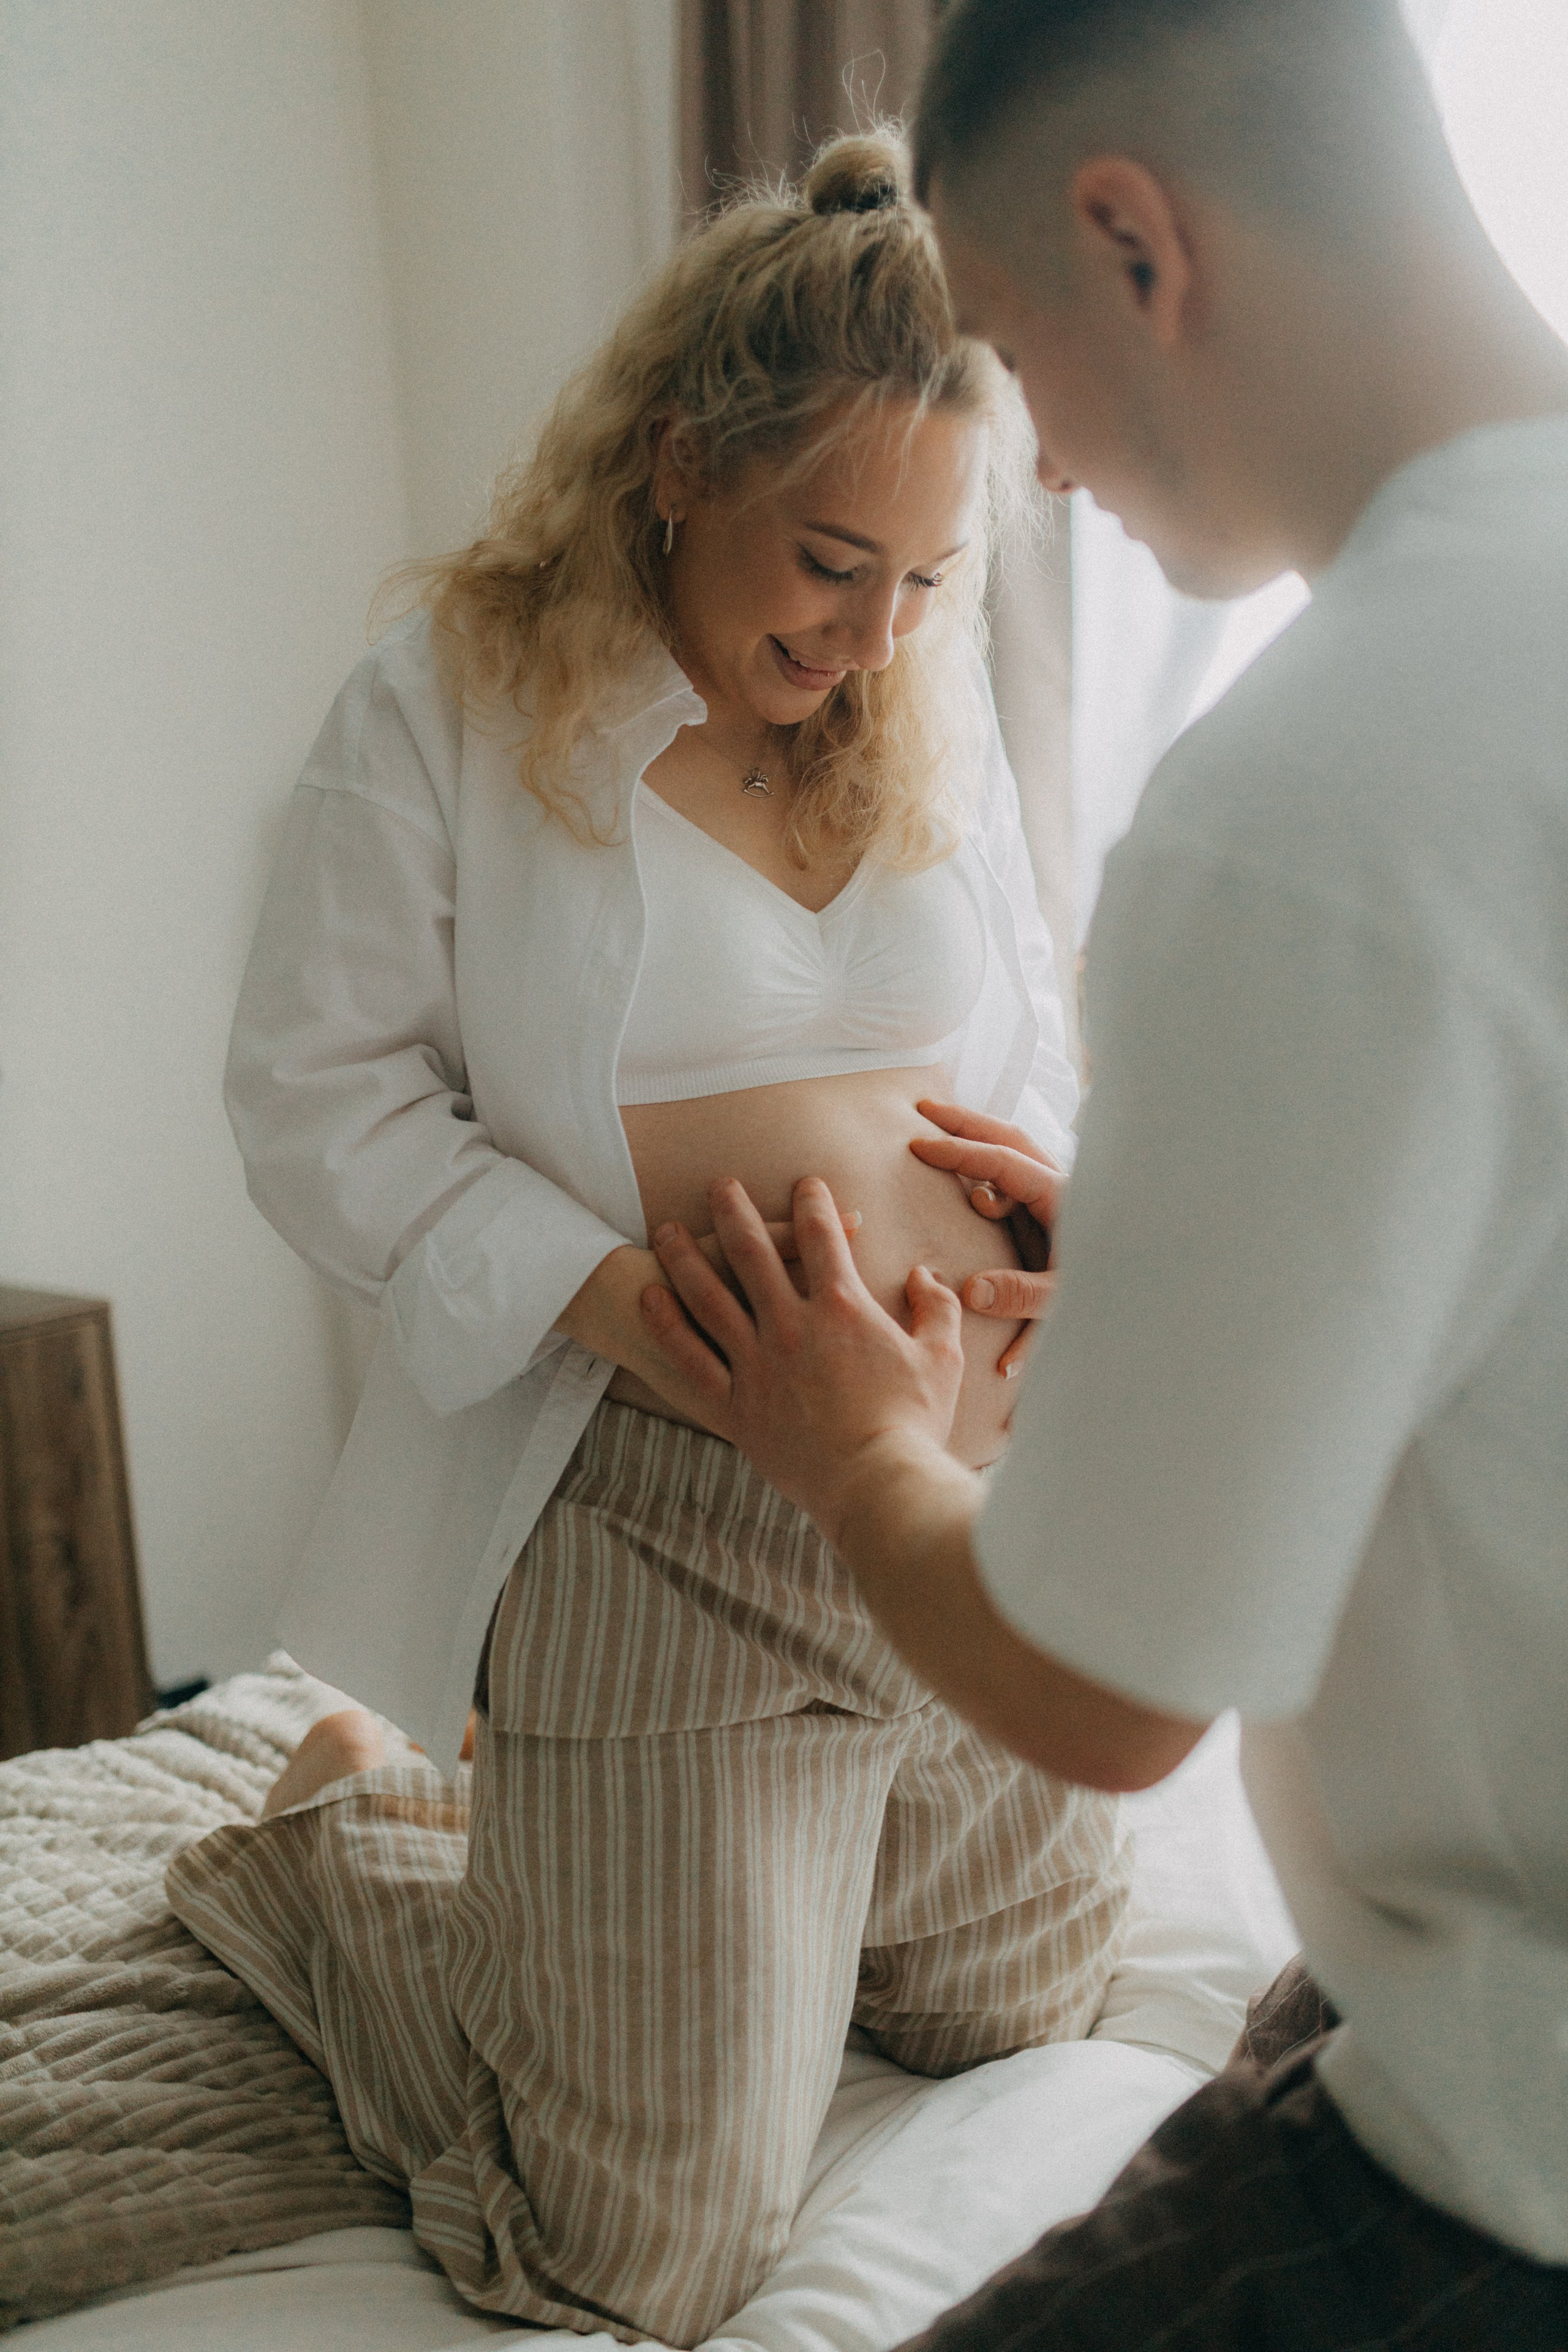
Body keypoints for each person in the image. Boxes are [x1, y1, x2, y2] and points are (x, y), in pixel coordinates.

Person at [640, 1, 1568, 2343]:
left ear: (1136, 243)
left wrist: (849, 1451)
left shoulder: (1311, 802)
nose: (1038, 478)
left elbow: (1103, 1693)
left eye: (1021, 368)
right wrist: (1206, 1259)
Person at [165, 133, 1133, 2346]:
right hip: (667, 1510)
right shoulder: (449, 702)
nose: (875, 632)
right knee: (640, 2252)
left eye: (926, 577)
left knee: (1023, 2004)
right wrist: (608, 1292)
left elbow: (1029, 1045)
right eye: (829, 561)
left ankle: (770, 1869)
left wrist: (1066, 1224)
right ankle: (347, 1832)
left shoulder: (922, 693)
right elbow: (311, 1100)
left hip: (959, 1499)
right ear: (684, 463)